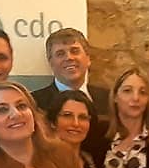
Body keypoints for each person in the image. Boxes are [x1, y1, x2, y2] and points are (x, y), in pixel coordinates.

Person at [32, 28, 110, 158]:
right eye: (60, 54)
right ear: (51, 63)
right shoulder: (34, 103)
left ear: (88, 58)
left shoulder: (108, 99)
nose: (69, 58)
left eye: (75, 51)